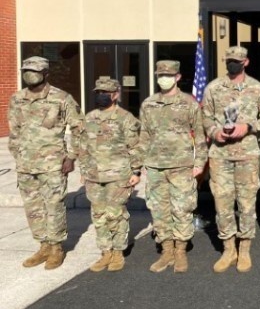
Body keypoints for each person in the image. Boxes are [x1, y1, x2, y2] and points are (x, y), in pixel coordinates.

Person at [202, 46, 260, 274]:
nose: (233, 64)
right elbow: (204, 118)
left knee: (246, 203)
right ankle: (228, 248)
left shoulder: (258, 89)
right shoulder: (213, 88)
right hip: (220, 154)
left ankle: (244, 248)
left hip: (246, 154)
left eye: (237, 60)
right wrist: (215, 132)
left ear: (246, 62)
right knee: (222, 203)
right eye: (229, 60)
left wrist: (248, 126)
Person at [8, 56, 84, 270]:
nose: (29, 74)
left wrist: (71, 156)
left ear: (46, 74)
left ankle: (56, 247)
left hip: (53, 164)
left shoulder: (61, 97)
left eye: (34, 70)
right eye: (26, 70)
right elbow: (14, 131)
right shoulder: (17, 98)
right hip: (25, 164)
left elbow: (79, 128)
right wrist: (18, 154)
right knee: (33, 207)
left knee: (53, 206)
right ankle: (43, 246)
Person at [138, 60, 208, 273]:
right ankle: (166, 250)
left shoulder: (189, 103)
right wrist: (139, 164)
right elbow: (144, 136)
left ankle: (180, 251)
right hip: (156, 167)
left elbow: (200, 135)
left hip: (182, 166)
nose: (163, 79)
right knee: (159, 210)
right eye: (160, 75)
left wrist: (199, 163)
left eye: (168, 75)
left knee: (182, 208)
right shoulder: (148, 104)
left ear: (178, 77)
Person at [79, 77, 141, 272]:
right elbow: (83, 147)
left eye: (105, 93)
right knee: (98, 215)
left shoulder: (125, 118)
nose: (101, 96)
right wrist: (84, 170)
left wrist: (136, 171)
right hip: (94, 176)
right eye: (98, 92)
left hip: (118, 176)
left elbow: (135, 147)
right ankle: (105, 251)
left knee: (116, 214)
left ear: (115, 95)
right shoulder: (89, 118)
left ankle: (118, 252)